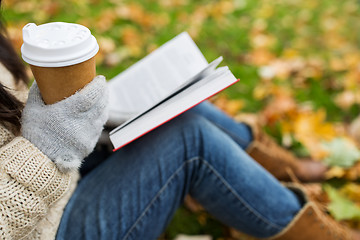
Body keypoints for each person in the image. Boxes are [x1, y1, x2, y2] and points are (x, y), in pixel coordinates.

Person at [0, 7, 359, 240]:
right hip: (46, 229)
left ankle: (291, 172)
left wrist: (85, 115)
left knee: (180, 107)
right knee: (189, 141)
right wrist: (48, 147)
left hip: (60, 180)